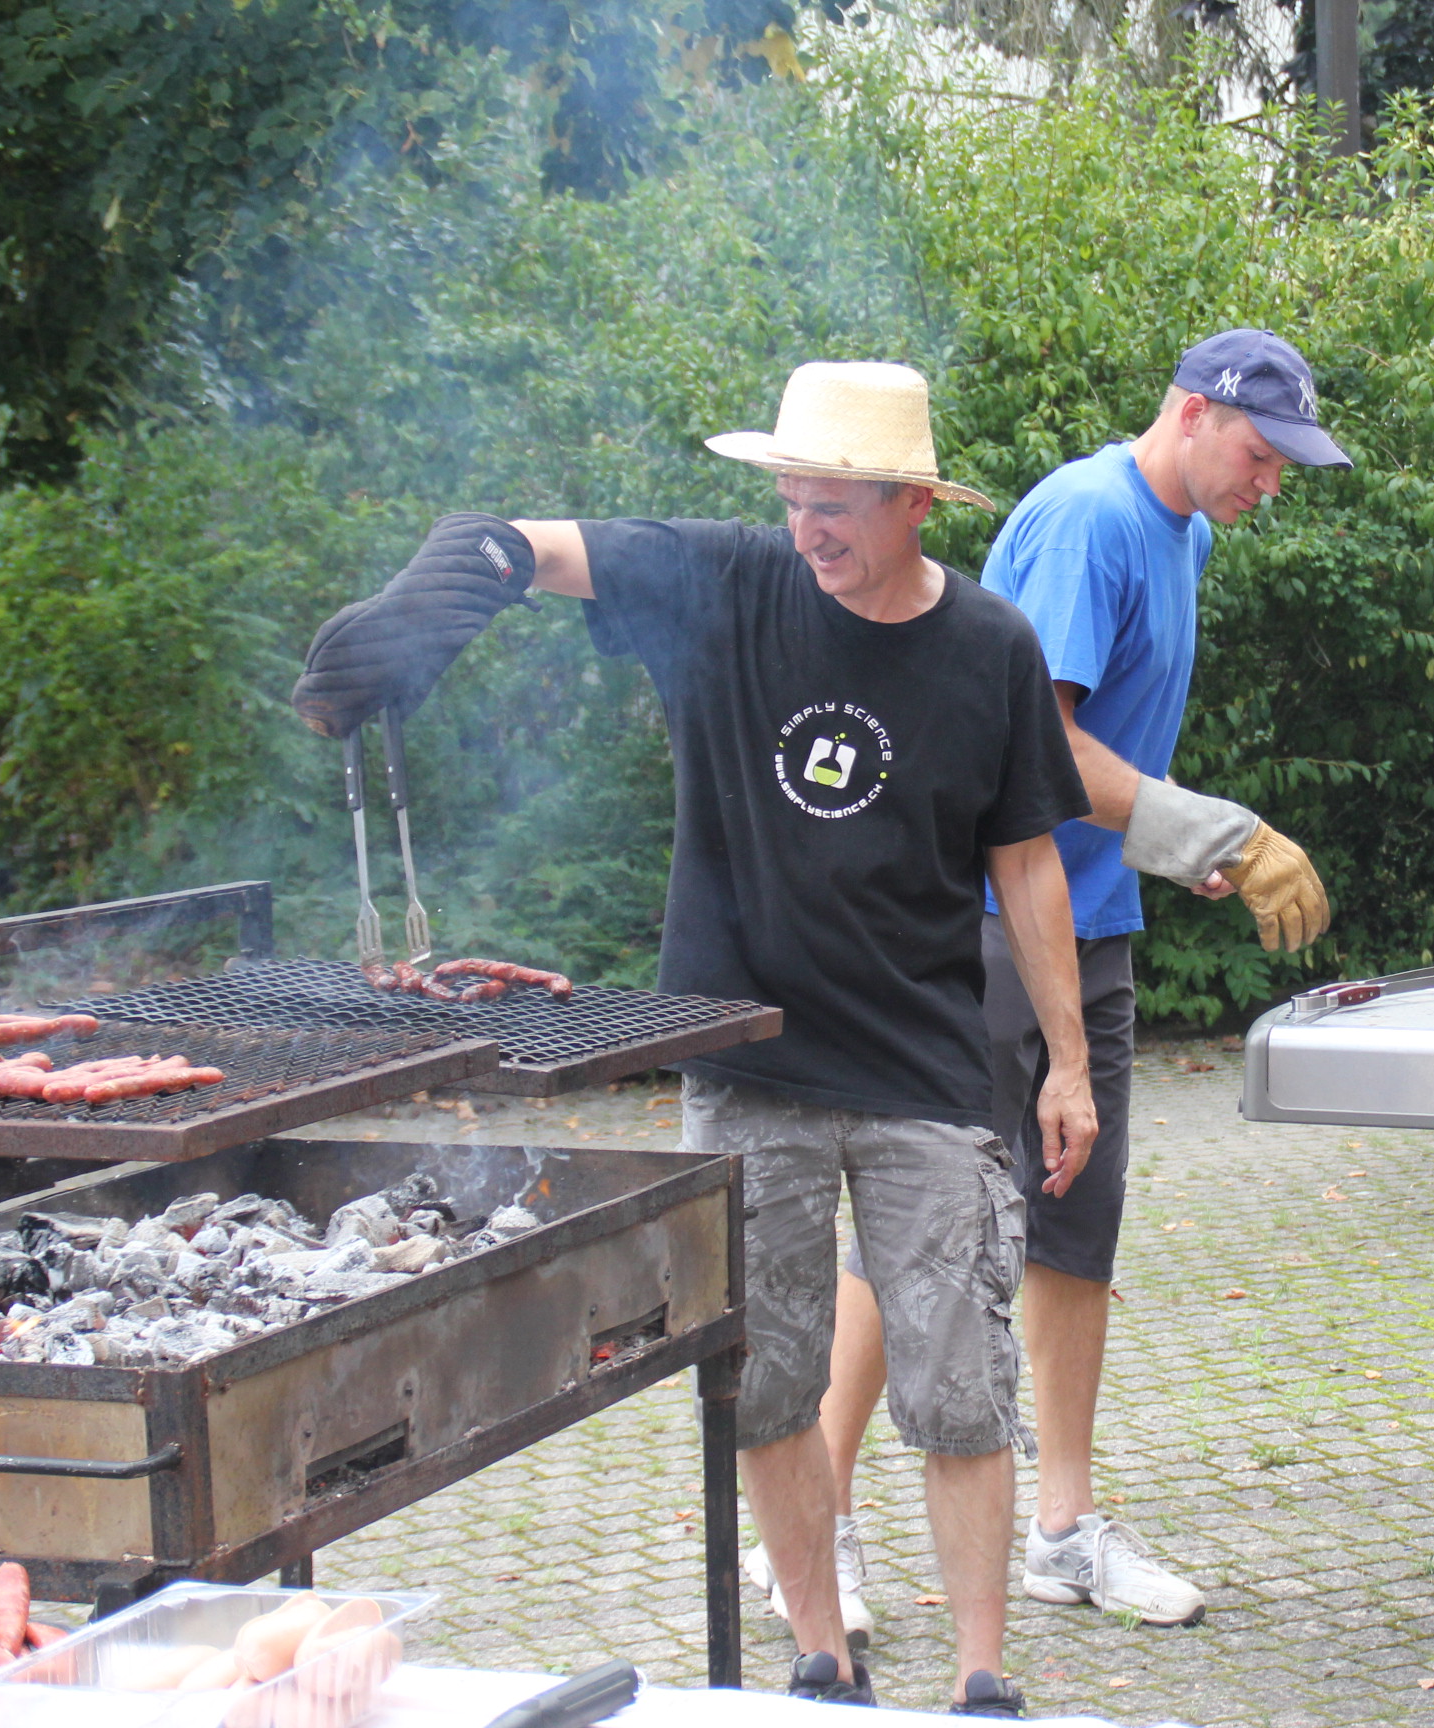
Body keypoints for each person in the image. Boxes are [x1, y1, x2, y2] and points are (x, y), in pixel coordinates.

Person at [289, 361, 1101, 1718]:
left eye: (834, 505)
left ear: (910, 506)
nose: (806, 530)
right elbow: (526, 545)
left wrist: (1067, 1062)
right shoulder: (724, 582)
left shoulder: (991, 649)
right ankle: (822, 1660)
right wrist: (439, 592)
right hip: (748, 1068)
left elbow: (1027, 867)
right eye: (792, 500)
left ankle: (981, 1681)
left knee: (961, 1388)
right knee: (770, 1385)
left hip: (926, 1074)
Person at [751, 330, 1346, 1645]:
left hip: (1097, 928)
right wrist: (1220, 835)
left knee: (1075, 1228)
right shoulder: (1089, 519)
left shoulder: (1175, 530)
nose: (1271, 485)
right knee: (913, 1229)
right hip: (977, 934)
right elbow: (1045, 749)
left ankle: (1064, 1534)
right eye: (1260, 454)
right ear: (1190, 412)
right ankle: (819, 1521)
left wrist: (1164, 851)